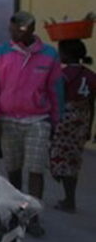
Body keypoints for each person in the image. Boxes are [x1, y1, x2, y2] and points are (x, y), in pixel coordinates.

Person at [0, 11, 63, 236]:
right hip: (8, 120)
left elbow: (56, 90)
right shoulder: (0, 53)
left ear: (30, 29)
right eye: (11, 30)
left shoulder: (49, 55)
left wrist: (55, 120)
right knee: (13, 169)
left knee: (35, 170)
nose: (13, 34)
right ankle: (16, 213)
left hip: (38, 120)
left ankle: (34, 217)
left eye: (18, 30)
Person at [49, 39, 96, 213]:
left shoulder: (63, 75)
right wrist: (90, 126)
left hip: (66, 119)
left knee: (58, 157)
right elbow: (92, 103)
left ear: (67, 55)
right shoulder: (90, 75)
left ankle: (68, 199)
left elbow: (57, 99)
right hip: (82, 119)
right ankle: (70, 198)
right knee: (74, 160)